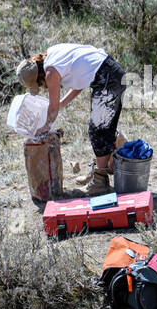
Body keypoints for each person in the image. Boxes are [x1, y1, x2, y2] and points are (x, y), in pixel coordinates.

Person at [16, 43, 126, 196]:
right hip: (109, 74)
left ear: (39, 77)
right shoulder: (53, 55)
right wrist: (62, 104)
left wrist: (45, 127)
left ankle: (100, 181)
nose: (41, 86)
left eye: (39, 84)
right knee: (102, 128)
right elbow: (80, 80)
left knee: (98, 131)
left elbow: (52, 109)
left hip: (108, 79)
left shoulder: (51, 73)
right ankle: (103, 167)